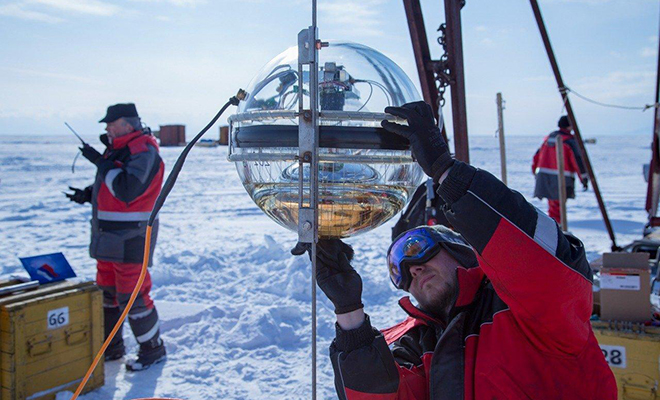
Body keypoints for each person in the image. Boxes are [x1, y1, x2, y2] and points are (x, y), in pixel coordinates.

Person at [294, 102, 616, 399]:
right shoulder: (420, 346)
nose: (412, 269)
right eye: (398, 270)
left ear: (460, 248)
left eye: (417, 247)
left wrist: (449, 174)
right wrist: (349, 311)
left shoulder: (521, 309)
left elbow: (548, 268)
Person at [65, 103, 166, 371]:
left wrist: (99, 160)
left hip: (131, 237)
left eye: (111, 123)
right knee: (107, 293)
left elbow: (127, 189)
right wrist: (88, 194)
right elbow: (113, 182)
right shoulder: (120, 150)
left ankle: (152, 349)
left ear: (128, 123)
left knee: (132, 295)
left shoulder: (143, 150)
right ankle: (112, 347)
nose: (107, 128)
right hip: (107, 237)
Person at [532, 115, 588, 224]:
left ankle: (555, 229)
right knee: (558, 209)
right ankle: (558, 232)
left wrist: (536, 173)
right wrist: (584, 178)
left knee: (553, 208)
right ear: (569, 126)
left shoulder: (548, 139)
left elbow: (536, 157)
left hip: (544, 178)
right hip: (561, 179)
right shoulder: (569, 141)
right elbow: (577, 161)